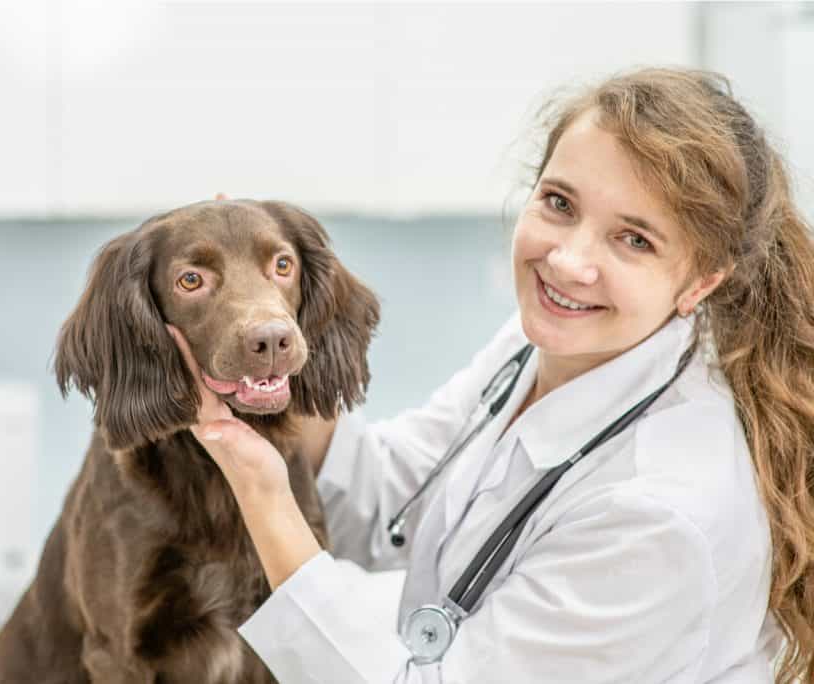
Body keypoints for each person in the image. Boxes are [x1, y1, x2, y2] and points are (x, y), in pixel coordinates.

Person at [166, 68, 814, 683]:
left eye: (634, 240)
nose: (567, 261)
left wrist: (259, 486)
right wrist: (265, 352)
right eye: (559, 203)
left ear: (703, 279)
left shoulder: (663, 514)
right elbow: (400, 501)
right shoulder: (554, 341)